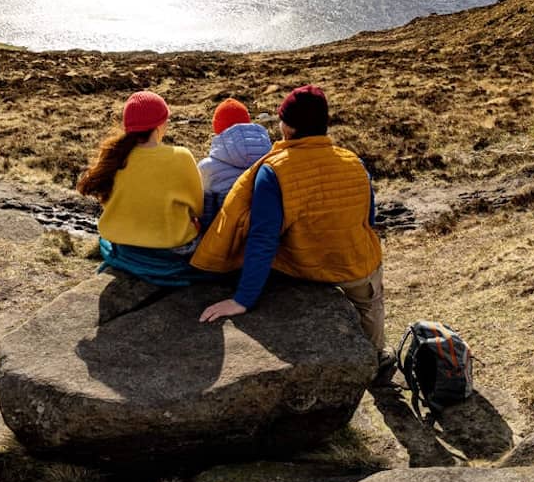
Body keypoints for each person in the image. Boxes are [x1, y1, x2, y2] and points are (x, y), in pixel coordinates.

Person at [191, 86, 386, 355]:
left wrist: (243, 300)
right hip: (356, 264)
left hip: (303, 267)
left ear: (286, 126)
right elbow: (369, 217)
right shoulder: (354, 162)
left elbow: (263, 238)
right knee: (371, 306)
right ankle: (377, 360)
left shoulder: (274, 170)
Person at [77, 91, 205, 285]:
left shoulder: (115, 158)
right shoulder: (181, 157)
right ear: (160, 125)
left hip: (126, 248)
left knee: (105, 242)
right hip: (171, 253)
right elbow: (198, 209)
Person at [197, 98, 274, 231]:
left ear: (217, 129)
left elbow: (206, 215)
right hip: (266, 235)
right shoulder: (272, 157)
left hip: (225, 238)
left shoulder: (207, 168)